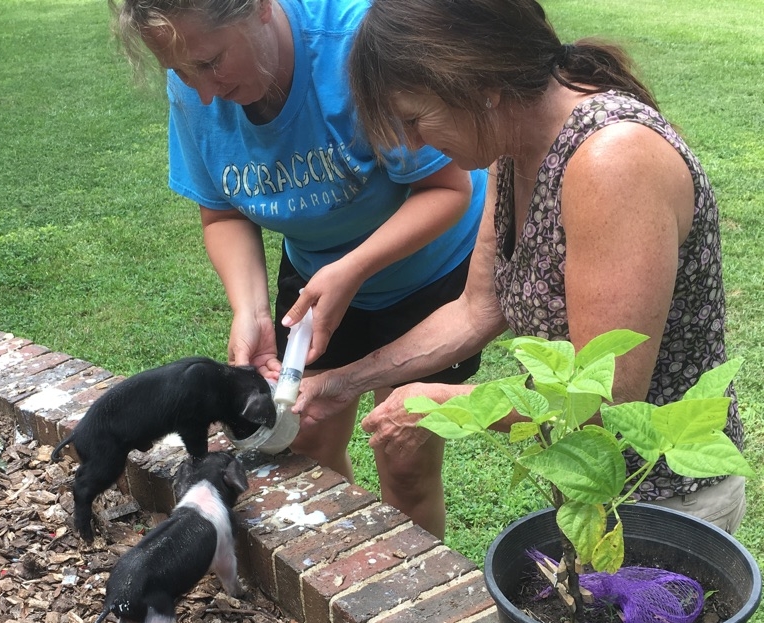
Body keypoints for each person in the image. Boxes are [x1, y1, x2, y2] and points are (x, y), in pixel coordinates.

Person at [293, 0, 747, 533]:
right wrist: (343, 383)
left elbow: (603, 400)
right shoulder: (512, 146)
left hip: (665, 501)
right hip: (589, 485)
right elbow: (476, 310)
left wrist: (445, 400)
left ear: (477, 82)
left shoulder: (612, 161)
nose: (413, 142)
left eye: (415, 118)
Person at [110, 0, 488, 537]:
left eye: (212, 63)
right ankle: (339, 576)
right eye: (181, 73)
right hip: (317, 277)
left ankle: (406, 608)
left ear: (261, 8)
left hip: (426, 273)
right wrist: (251, 308)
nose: (203, 94)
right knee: (305, 436)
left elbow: (447, 189)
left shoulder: (362, 46)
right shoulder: (196, 76)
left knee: (405, 461)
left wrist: (355, 267)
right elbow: (220, 212)